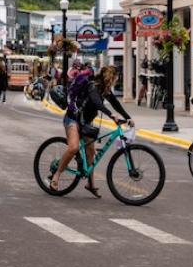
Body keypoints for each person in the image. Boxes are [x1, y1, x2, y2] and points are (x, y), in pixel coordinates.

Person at [50, 65, 133, 198]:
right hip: (73, 119)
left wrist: (128, 117)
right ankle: (56, 175)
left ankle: (90, 184)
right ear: (110, 77)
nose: (116, 80)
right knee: (73, 148)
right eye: (116, 78)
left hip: (86, 123)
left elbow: (116, 104)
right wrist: (111, 115)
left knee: (90, 152)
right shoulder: (93, 86)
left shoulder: (105, 90)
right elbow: (97, 103)